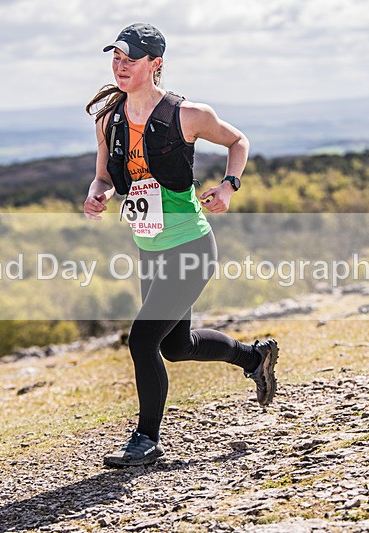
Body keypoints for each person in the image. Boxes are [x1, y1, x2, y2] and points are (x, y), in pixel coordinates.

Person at [84, 23, 278, 468]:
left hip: (190, 246)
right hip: (148, 247)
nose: (120, 66)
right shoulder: (108, 118)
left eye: (130, 59)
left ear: (155, 64)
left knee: (141, 341)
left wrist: (229, 186)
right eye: (115, 58)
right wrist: (100, 192)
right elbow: (105, 175)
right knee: (176, 345)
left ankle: (146, 439)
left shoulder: (187, 114)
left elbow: (237, 141)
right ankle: (254, 357)